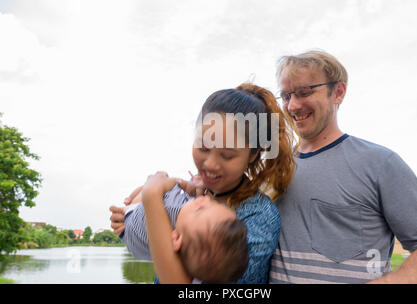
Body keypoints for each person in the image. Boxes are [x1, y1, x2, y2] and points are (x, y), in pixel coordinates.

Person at [269, 50, 417, 284]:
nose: (292, 106)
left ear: (338, 92)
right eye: (285, 96)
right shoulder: (274, 169)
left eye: (304, 93)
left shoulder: (380, 164)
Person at [110, 83, 297, 283]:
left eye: (226, 155)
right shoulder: (192, 190)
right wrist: (133, 214)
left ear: (253, 154)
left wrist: (152, 200)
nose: (210, 164)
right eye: (203, 147)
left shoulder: (260, 216)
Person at [121, 179, 249, 283]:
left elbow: (152, 188)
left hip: (131, 217)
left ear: (176, 238)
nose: (205, 199)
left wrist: (165, 180)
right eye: (214, 204)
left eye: (200, 209)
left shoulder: (170, 209)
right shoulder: (203, 265)